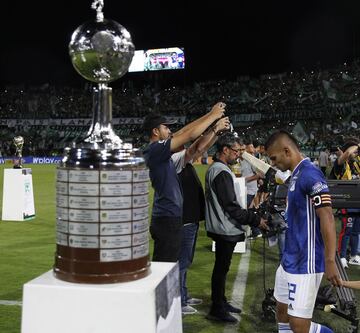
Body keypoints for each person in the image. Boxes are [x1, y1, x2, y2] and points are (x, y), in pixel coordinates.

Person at [265, 130, 341, 333]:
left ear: (287, 151)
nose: (272, 163)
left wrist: (330, 260)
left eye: (274, 158)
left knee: (299, 326)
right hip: (289, 259)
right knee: (281, 313)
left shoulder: (310, 173)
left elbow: (327, 216)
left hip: (305, 262)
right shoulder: (296, 174)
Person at [142, 102, 227, 263]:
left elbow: (192, 144)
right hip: (166, 219)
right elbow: (188, 135)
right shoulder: (155, 150)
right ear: (155, 131)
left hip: (172, 217)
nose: (170, 131)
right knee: (165, 269)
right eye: (165, 127)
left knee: (173, 267)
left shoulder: (163, 155)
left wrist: (214, 126)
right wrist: (213, 115)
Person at [204, 133, 268, 323]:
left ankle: (221, 302)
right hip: (225, 228)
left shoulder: (219, 168)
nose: (238, 155)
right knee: (221, 268)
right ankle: (217, 308)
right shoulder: (221, 172)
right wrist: (255, 220)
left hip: (222, 226)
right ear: (225, 150)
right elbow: (231, 207)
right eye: (236, 151)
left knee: (222, 268)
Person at [171, 117, 230, 315]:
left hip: (190, 219)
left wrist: (216, 133)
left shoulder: (181, 162)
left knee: (185, 261)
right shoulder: (174, 161)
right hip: (184, 219)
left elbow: (200, 147)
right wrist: (214, 128)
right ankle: (178, 301)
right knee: (181, 262)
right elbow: (197, 148)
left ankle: (184, 295)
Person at [328, 139, 360, 268]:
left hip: (357, 201)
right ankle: (341, 256)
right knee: (346, 230)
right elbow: (346, 154)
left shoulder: (355, 164)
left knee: (356, 231)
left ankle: (354, 255)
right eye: (354, 150)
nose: (356, 152)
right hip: (345, 201)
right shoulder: (340, 163)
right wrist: (356, 146)